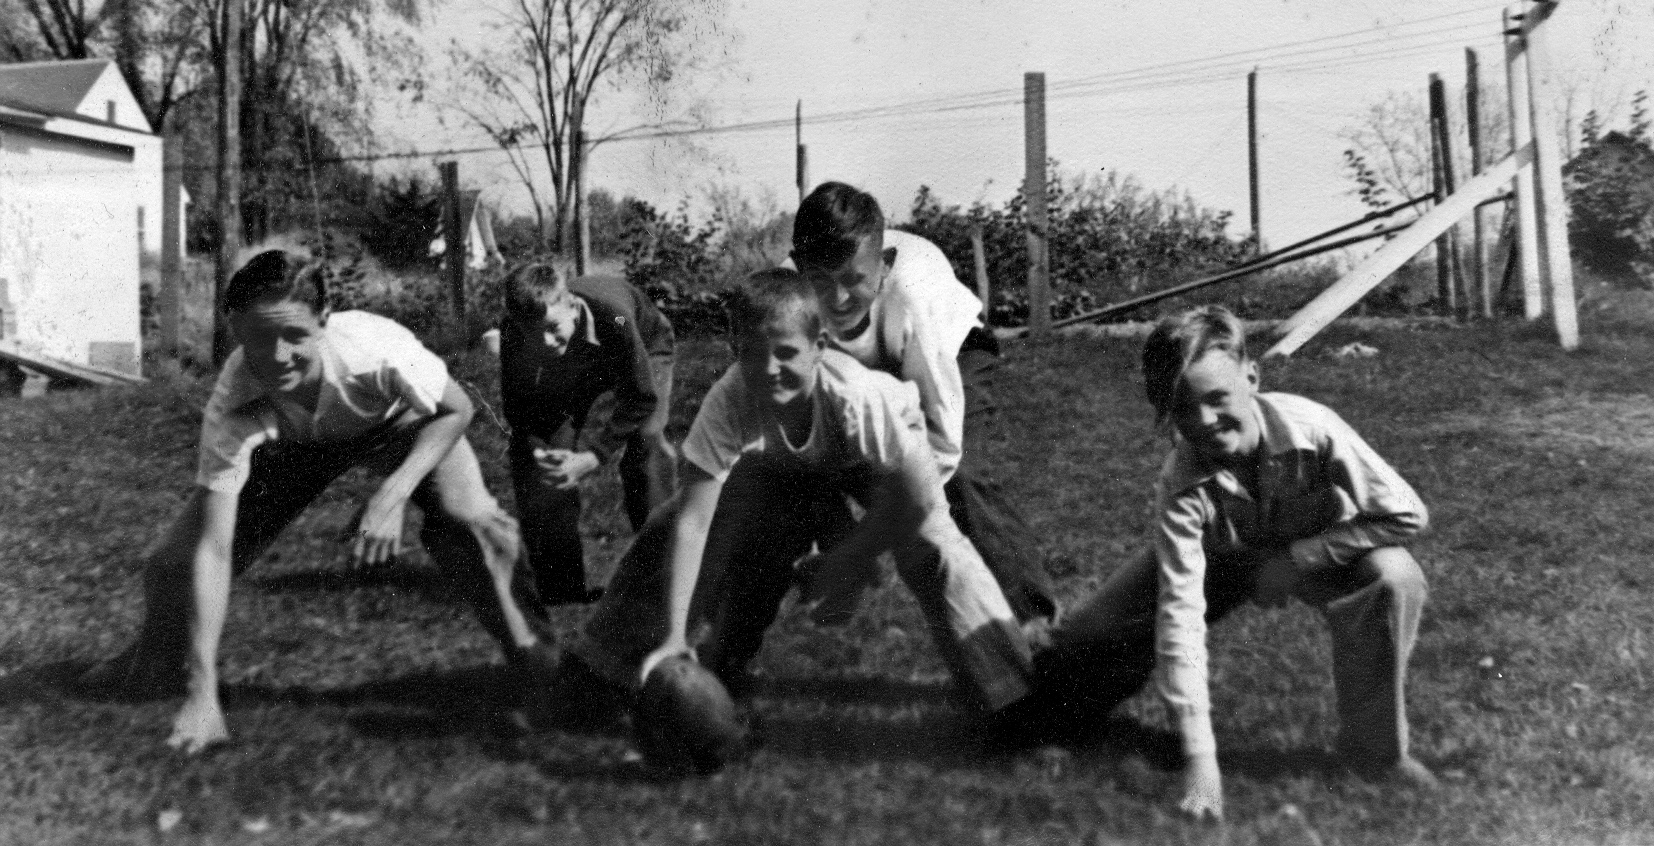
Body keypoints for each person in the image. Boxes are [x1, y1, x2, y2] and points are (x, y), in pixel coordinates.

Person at [78, 249, 553, 753]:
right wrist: (205, 696)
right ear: (235, 331)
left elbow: (456, 409)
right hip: (296, 444)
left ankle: (539, 665)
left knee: (471, 521)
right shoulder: (235, 397)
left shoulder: (374, 350)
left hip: (401, 423)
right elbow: (214, 549)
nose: (278, 356)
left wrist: (392, 494)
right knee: (176, 559)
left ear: (324, 319)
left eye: (294, 336)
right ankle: (161, 665)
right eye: (258, 339)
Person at [1016, 305, 1438, 819]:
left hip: (1321, 552)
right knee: (1090, 631)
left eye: (1218, 398)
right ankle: (1038, 704)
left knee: (1393, 577)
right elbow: (1181, 617)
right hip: (1220, 560)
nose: (1205, 422)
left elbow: (1406, 513)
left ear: (1251, 378)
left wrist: (1298, 559)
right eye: (1183, 409)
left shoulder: (1313, 428)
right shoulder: (1182, 483)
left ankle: (1377, 755)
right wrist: (1201, 763)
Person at [565, 268, 1033, 720]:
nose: (770, 370)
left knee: (935, 543)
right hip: (787, 468)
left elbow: (917, 499)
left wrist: (848, 558)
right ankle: (608, 668)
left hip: (877, 465)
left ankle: (1013, 695)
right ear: (734, 351)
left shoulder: (858, 395)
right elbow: (694, 523)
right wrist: (674, 633)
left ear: (819, 347)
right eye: (753, 354)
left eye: (786, 353)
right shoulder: (729, 399)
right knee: (672, 523)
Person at [786, 181, 1058, 629]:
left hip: (950, 350)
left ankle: (1034, 623)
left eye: (853, 279)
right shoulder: (785, 303)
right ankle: (841, 573)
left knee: (962, 478)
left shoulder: (913, 293)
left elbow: (944, 446)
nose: (838, 299)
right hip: (857, 367)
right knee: (801, 460)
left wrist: (887, 522)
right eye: (820, 281)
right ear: (798, 269)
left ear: (885, 263)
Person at [497, 262, 676, 606]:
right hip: (577, 362)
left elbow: (641, 397)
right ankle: (561, 587)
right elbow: (517, 403)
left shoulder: (616, 317)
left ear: (573, 307)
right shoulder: (514, 328)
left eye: (552, 328)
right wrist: (542, 454)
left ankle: (662, 573)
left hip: (643, 344)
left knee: (646, 442)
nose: (544, 342)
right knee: (539, 455)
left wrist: (594, 455)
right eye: (533, 334)